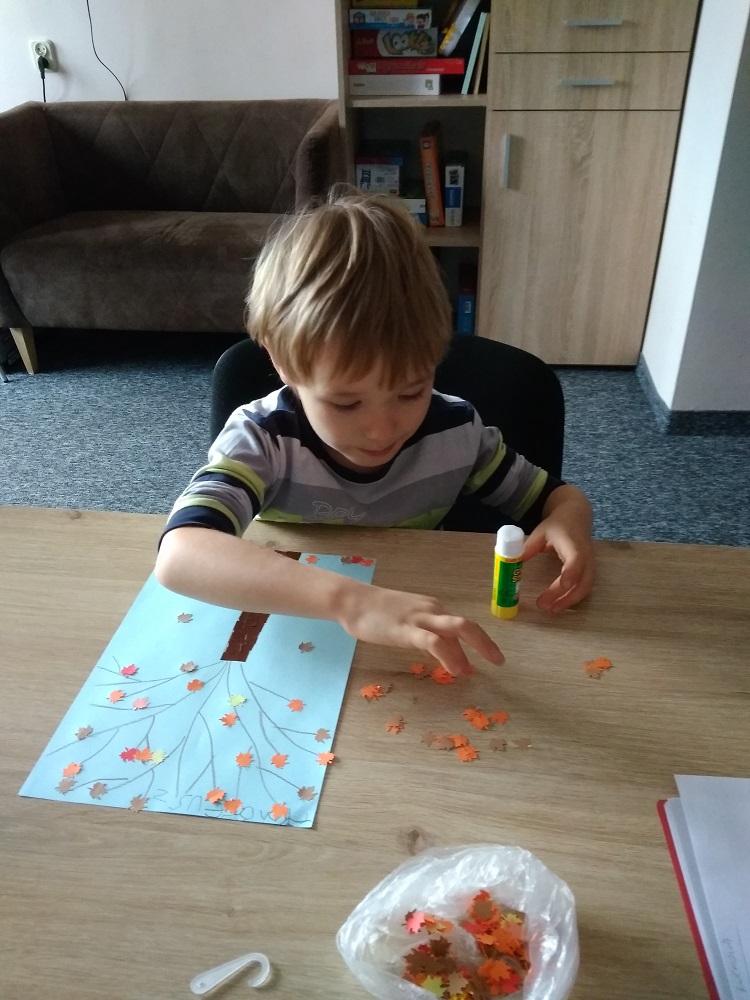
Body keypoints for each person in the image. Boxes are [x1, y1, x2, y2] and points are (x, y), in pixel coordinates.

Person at [155, 190, 595, 677]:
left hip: (407, 634)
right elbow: (181, 553)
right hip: (294, 625)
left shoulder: (456, 432)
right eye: (345, 403)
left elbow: (556, 498)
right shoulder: (263, 438)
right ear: (283, 364)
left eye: (411, 392)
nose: (383, 429)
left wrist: (571, 517)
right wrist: (353, 602)